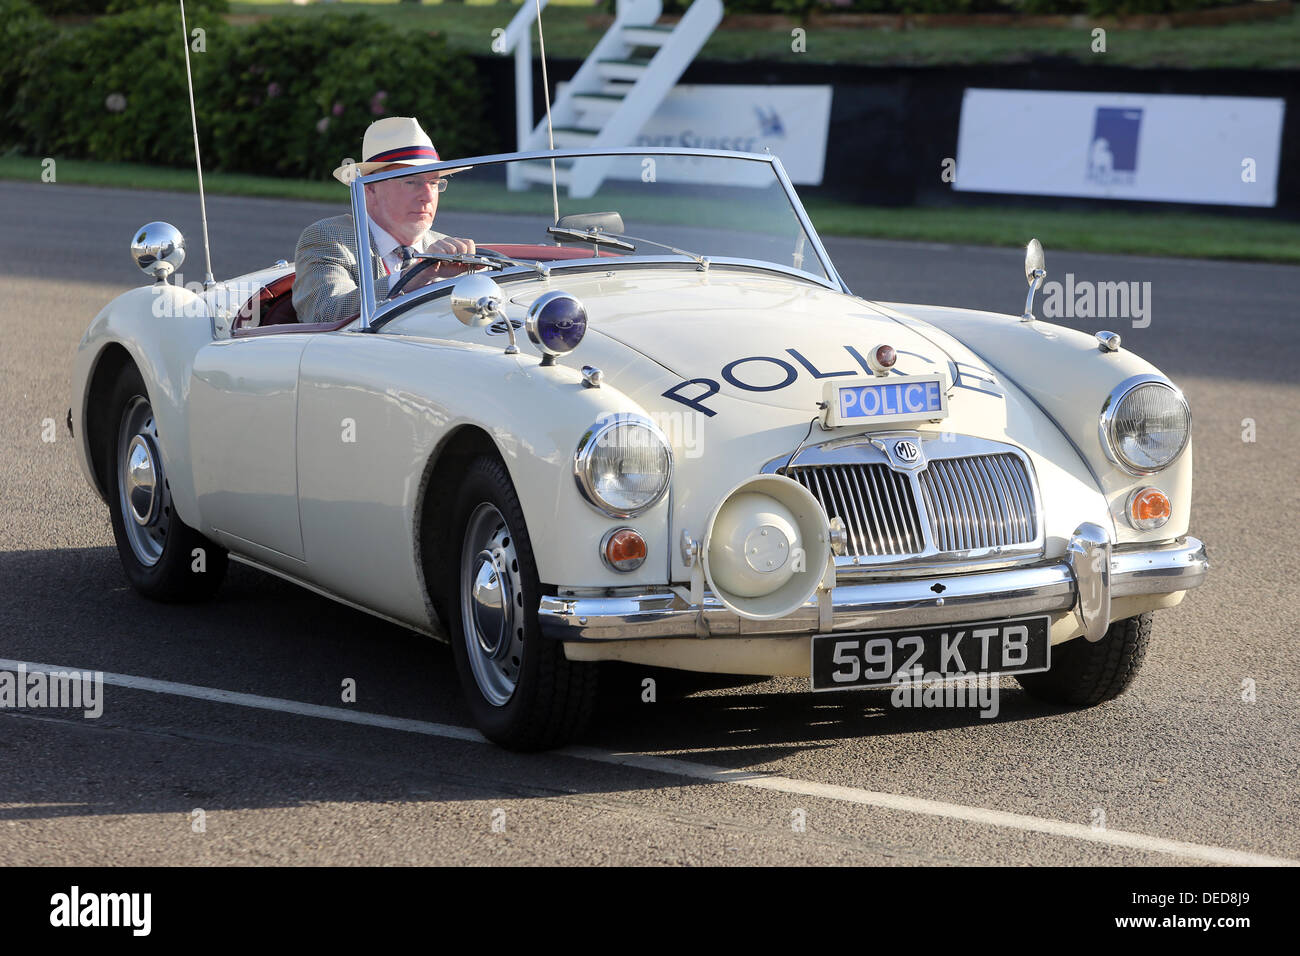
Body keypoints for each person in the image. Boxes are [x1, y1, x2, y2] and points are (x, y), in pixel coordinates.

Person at [292, 116, 475, 325]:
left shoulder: (450, 250)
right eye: (411, 181)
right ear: (370, 189)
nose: (428, 196)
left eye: (434, 182)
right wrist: (410, 277)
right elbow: (324, 314)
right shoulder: (330, 239)